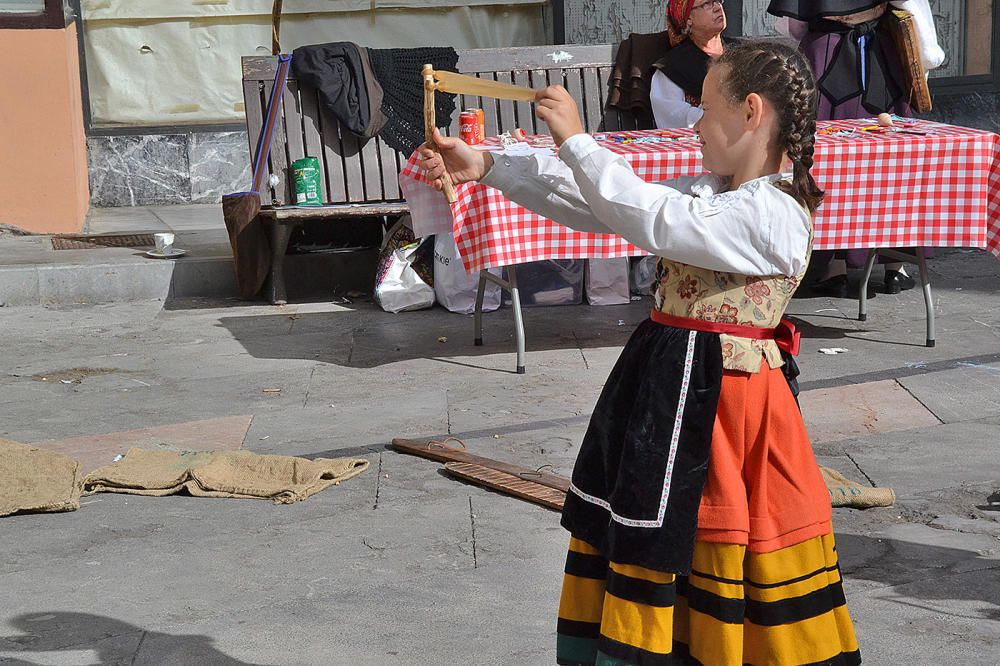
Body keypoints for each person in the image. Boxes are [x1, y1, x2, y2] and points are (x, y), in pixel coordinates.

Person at [419, 40, 859, 665]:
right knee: (654, 542)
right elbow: (602, 207)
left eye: (705, 108)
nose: (696, 123)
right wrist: (490, 165)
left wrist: (576, 142)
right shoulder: (716, 192)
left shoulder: (773, 213)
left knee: (719, 542)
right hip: (670, 395)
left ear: (751, 112)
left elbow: (646, 216)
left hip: (728, 416)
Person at [769, 0, 945, 297]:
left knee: (826, 159)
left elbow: (792, 25)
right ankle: (894, 266)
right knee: (890, 162)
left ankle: (833, 265)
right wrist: (926, 57)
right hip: (880, 56)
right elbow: (911, 8)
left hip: (824, 55)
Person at [650, 0, 729, 129]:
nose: (717, 7)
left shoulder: (740, 52)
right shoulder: (672, 66)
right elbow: (673, 116)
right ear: (688, 20)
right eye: (707, 4)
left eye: (717, 1)